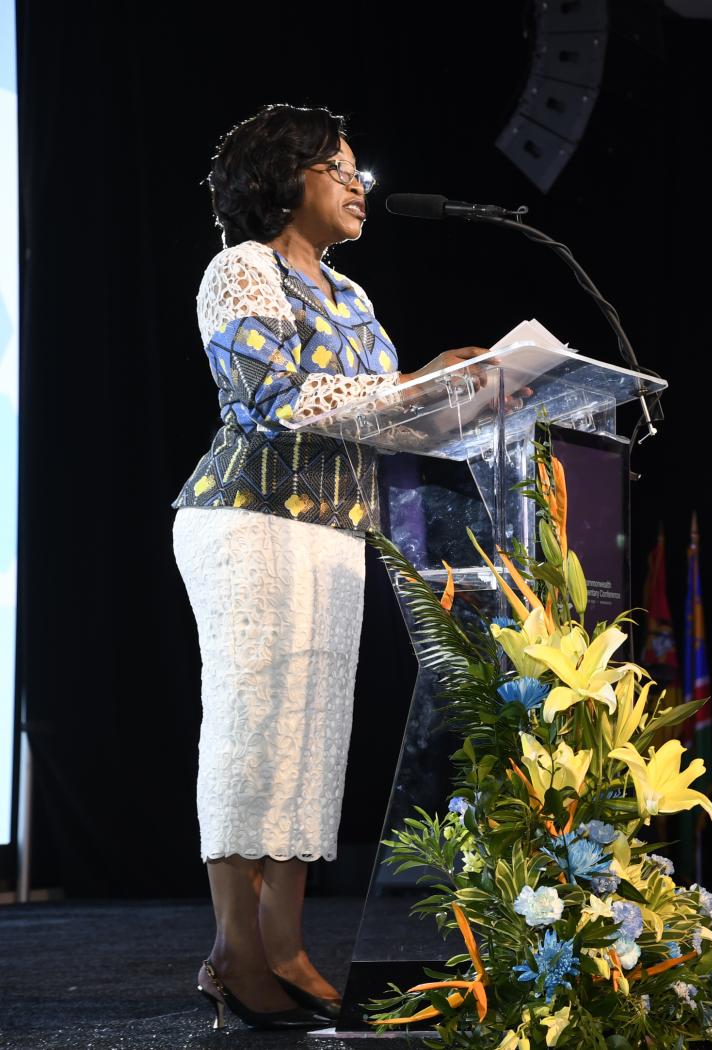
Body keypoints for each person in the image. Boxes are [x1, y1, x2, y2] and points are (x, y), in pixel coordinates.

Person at [170, 104, 489, 1030]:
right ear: (285, 178)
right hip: (247, 522)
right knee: (252, 723)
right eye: (338, 167)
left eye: (359, 171)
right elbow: (272, 398)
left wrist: (469, 393)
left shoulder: (351, 298)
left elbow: (387, 419)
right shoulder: (242, 271)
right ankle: (235, 949)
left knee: (312, 738)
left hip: (334, 532)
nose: (358, 184)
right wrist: (410, 383)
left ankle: (283, 943)